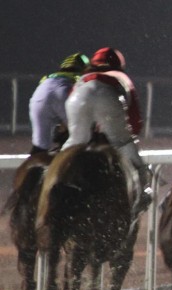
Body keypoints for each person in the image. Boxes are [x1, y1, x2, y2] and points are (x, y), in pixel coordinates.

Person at [62, 47, 152, 217]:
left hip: (79, 96)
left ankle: (47, 179)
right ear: (119, 65)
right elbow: (135, 121)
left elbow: (71, 119)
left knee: (74, 143)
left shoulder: (83, 78)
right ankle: (143, 193)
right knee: (124, 143)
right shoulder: (121, 77)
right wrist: (125, 135)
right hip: (108, 96)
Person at [29, 52, 89, 154]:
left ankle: (35, 161)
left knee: (40, 146)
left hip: (39, 95)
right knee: (81, 135)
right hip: (63, 93)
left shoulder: (48, 77)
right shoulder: (81, 77)